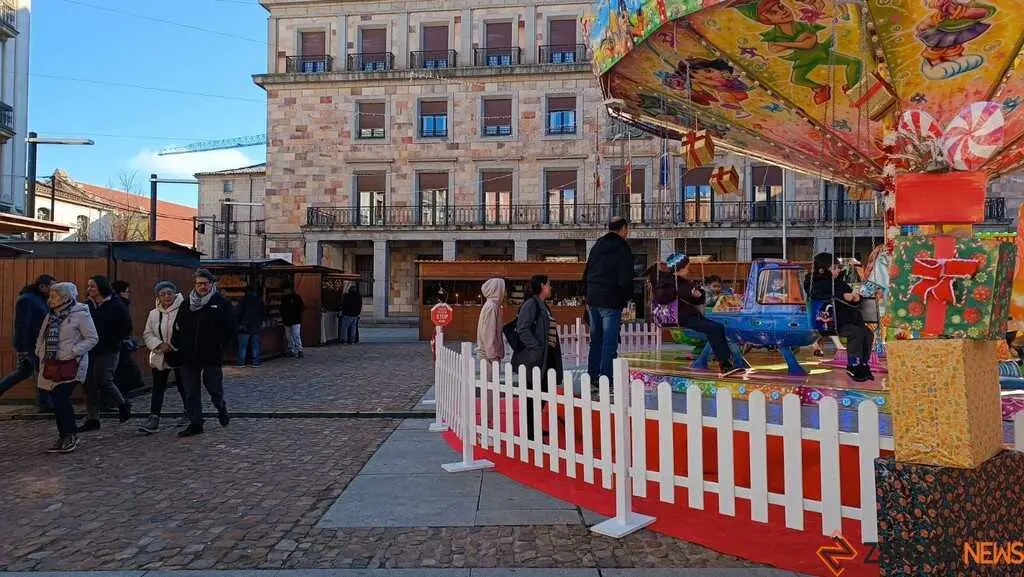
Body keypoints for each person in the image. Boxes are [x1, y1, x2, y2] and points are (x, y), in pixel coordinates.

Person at [171, 269, 235, 437]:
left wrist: (222, 346)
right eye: (199, 284)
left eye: (205, 283)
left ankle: (221, 407)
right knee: (191, 390)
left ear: (211, 284)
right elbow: (177, 327)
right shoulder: (186, 304)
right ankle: (196, 422)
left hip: (211, 355)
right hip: (188, 355)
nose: (202, 287)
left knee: (213, 387)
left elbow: (230, 329)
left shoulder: (221, 303)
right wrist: (178, 345)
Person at [35, 282, 98, 453]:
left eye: (55, 295)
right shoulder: (51, 315)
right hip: (51, 365)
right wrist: (40, 351)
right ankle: (63, 435)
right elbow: (42, 336)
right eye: (51, 295)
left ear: (66, 297)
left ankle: (70, 435)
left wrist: (72, 352)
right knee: (56, 400)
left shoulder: (81, 314)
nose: (51, 299)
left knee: (61, 397)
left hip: (72, 364)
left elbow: (92, 338)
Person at [806, 252, 875, 382]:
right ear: (823, 269)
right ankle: (853, 364)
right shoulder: (816, 284)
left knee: (868, 333)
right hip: (835, 322)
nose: (838, 270)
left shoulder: (840, 283)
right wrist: (842, 296)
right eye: (834, 268)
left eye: (838, 267)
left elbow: (849, 293)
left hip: (851, 319)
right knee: (856, 333)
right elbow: (817, 295)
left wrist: (856, 298)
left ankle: (863, 364)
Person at [511, 275, 563, 440]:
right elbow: (523, 327)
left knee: (541, 392)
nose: (550, 287)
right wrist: (535, 346)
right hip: (536, 358)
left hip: (547, 356)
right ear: (542, 285)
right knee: (534, 393)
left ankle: (534, 427)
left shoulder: (543, 305)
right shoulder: (531, 304)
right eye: (548, 284)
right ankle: (530, 431)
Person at [583, 216, 635, 383]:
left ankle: (592, 376)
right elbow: (625, 278)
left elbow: (587, 271)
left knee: (596, 340)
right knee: (609, 341)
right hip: (611, 300)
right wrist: (626, 298)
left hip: (593, 299)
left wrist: (587, 296)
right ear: (623, 229)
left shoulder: (597, 246)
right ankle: (606, 378)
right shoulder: (623, 248)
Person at [80, 275, 132, 432]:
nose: (89, 289)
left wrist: (114, 339)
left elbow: (126, 327)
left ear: (101, 288)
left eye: (93, 286)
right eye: (88, 286)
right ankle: (93, 419)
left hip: (109, 348)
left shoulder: (115, 305)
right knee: (89, 384)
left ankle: (122, 404)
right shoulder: (87, 305)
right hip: (89, 349)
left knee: (104, 379)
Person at [668, 253, 734, 373]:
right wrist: (688, 293)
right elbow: (663, 297)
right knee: (712, 328)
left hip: (691, 314)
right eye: (687, 267)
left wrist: (698, 294)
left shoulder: (685, 282)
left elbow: (697, 298)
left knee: (718, 327)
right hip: (679, 316)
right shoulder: (667, 282)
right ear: (680, 268)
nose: (688, 270)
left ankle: (727, 360)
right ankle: (725, 364)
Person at [139, 281, 186, 434]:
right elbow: (148, 333)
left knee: (183, 385)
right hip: (160, 353)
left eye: (169, 293)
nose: (166, 296)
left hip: (179, 352)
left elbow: (188, 331)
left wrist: (173, 344)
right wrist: (159, 344)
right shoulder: (154, 314)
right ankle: (154, 417)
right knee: (158, 386)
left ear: (174, 293)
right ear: (158, 296)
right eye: (162, 294)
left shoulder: (184, 310)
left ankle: (189, 411)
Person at [0, 275, 55, 399]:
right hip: (30, 344)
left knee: (35, 372)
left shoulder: (40, 299)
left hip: (37, 343)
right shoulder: (28, 300)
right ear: (42, 286)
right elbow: (22, 325)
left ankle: (45, 403)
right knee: (31, 372)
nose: (53, 289)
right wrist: (22, 349)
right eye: (51, 286)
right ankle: (45, 403)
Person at [111, 280, 147, 395]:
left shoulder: (118, 304)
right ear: (121, 292)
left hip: (119, 344)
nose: (129, 294)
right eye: (127, 291)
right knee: (127, 373)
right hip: (118, 344)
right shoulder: (120, 305)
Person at [475, 278, 506, 379]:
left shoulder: (494, 305)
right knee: (490, 388)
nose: (505, 292)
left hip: (490, 355)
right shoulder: (491, 307)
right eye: (504, 288)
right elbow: (488, 333)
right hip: (489, 357)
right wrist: (493, 356)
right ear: (497, 289)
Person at [235, 289, 264, 367]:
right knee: (255, 345)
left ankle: (241, 363)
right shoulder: (259, 300)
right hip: (256, 325)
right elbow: (264, 312)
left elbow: (238, 312)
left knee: (242, 346)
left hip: (245, 325)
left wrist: (238, 322)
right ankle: (256, 362)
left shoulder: (244, 300)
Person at [279, 286, 305, 358]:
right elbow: (281, 308)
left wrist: (297, 314)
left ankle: (299, 350)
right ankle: (292, 350)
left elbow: (302, 307)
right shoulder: (284, 298)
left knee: (296, 335)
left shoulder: (297, 298)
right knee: (288, 336)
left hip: (295, 320)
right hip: (287, 320)